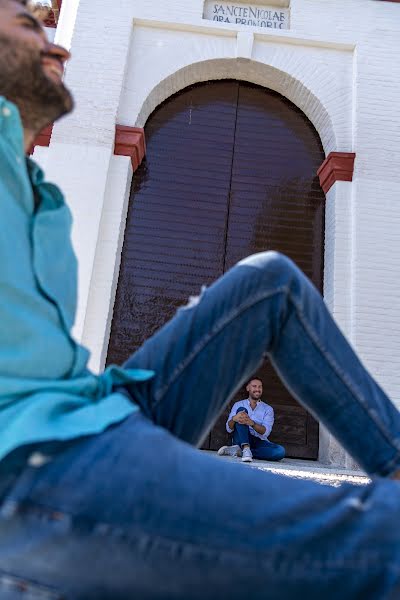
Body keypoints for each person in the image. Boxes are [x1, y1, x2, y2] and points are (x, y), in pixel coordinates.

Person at [0, 1, 400, 598]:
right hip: (36, 462)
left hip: (95, 406)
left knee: (271, 282)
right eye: (30, 25)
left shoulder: (34, 189)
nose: (59, 45)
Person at [218, 377, 285, 462]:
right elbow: (229, 429)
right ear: (248, 388)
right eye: (254, 386)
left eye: (260, 387)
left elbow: (266, 432)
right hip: (240, 439)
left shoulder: (268, 409)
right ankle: (245, 448)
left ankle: (240, 452)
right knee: (242, 411)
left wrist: (252, 423)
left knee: (280, 452)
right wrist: (234, 419)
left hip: (258, 442)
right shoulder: (238, 404)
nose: (257, 389)